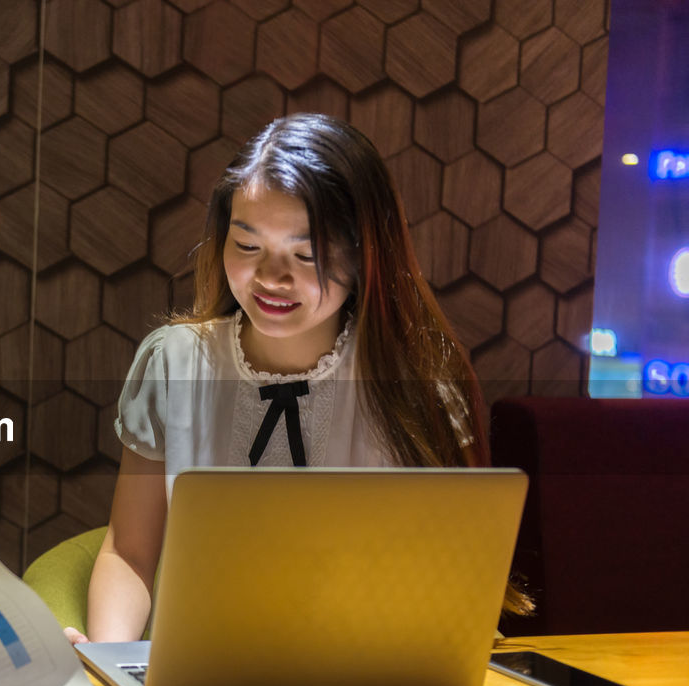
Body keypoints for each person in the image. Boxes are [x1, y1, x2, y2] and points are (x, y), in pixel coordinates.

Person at [69, 112, 531, 644]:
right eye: (247, 247)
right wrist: (109, 660)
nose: (271, 277)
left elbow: (451, 580)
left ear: (364, 257)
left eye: (306, 255)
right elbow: (129, 550)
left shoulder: (415, 386)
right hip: (202, 675)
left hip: (364, 679)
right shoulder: (176, 363)